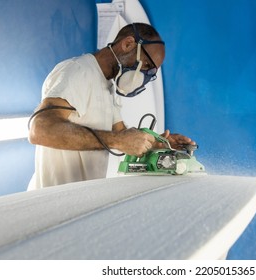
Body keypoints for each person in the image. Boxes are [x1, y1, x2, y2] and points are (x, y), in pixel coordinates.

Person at [27, 23, 195, 190]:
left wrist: (157, 143)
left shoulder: (106, 83)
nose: (144, 75)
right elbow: (40, 130)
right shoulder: (78, 71)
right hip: (54, 199)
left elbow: (120, 134)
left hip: (79, 197)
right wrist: (119, 140)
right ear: (128, 44)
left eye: (151, 73)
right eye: (146, 66)